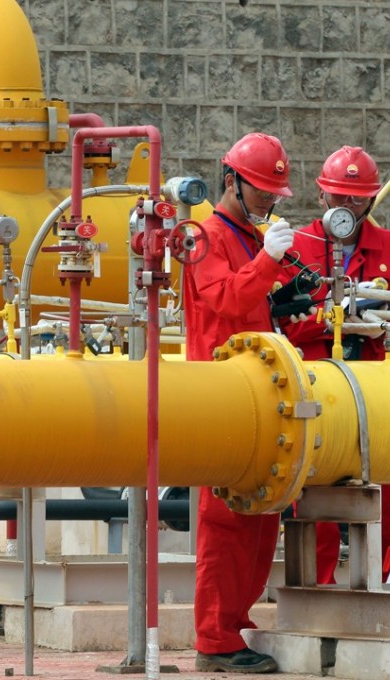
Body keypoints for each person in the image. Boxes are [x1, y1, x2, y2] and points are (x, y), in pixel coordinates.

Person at [182, 132, 294, 674]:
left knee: (257, 518)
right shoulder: (206, 236)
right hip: (222, 393)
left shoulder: (248, 234)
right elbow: (224, 299)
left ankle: (234, 625)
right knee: (225, 523)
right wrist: (268, 262)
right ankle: (214, 639)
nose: (270, 201)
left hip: (256, 391)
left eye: (275, 193)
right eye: (264, 191)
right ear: (233, 181)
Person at [273, 145, 390, 585]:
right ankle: (317, 585)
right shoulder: (298, 246)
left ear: (370, 200)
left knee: (385, 484)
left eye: (356, 199)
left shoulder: (386, 248)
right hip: (318, 386)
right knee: (316, 488)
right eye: (338, 197)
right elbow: (283, 317)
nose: (346, 207)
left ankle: (383, 579)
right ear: (322, 196)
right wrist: (329, 318)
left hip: (375, 386)